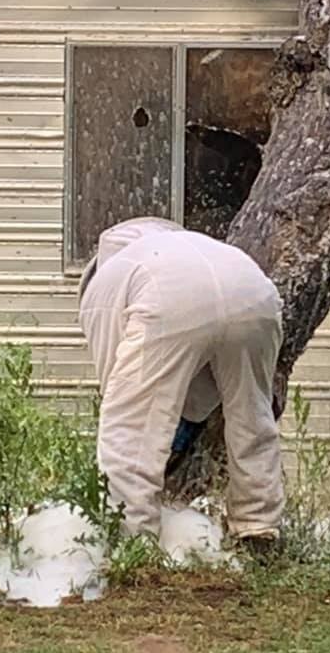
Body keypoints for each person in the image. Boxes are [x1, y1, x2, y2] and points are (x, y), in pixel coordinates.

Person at [78, 217, 284, 549]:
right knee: (252, 417)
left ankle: (132, 541)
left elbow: (120, 390)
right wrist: (185, 421)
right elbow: (206, 355)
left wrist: (160, 432)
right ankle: (258, 529)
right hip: (255, 291)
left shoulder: (107, 284)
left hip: (167, 295)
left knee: (129, 429)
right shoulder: (200, 247)